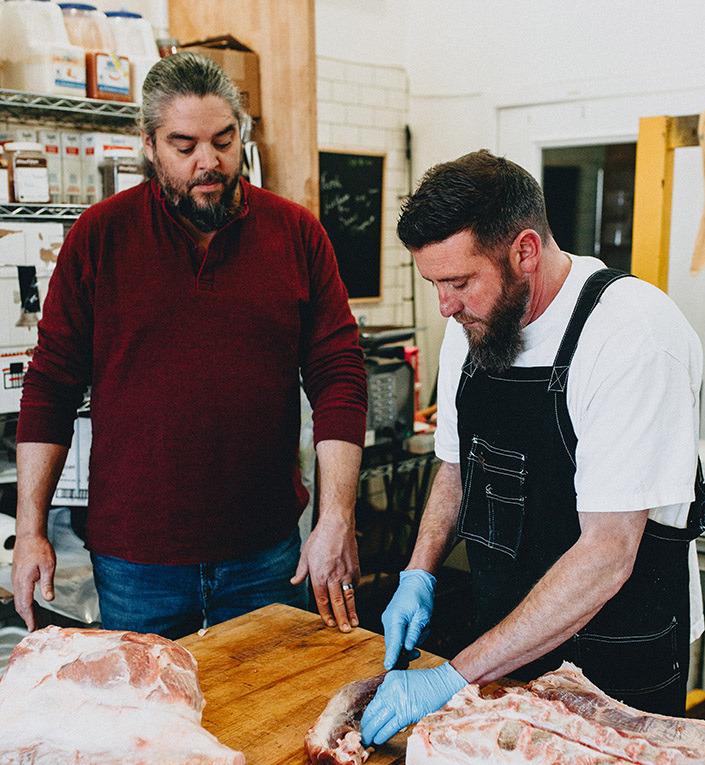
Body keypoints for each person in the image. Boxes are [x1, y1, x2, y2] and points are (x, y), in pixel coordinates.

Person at [12, 52, 368, 640]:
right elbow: (50, 386)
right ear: (149, 145)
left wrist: (337, 517)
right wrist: (31, 530)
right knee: (150, 726)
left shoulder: (296, 232)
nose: (210, 163)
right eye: (185, 146)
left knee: (265, 720)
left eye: (223, 141)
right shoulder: (98, 237)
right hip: (136, 562)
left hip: (267, 552)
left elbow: (338, 375)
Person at [360, 149, 705, 745]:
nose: (445, 304)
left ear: (524, 251)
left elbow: (607, 554)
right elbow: (455, 465)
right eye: (434, 283)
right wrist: (418, 572)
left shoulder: (631, 336)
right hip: (505, 639)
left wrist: (449, 678)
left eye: (459, 281)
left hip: (619, 655)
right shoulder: (471, 325)